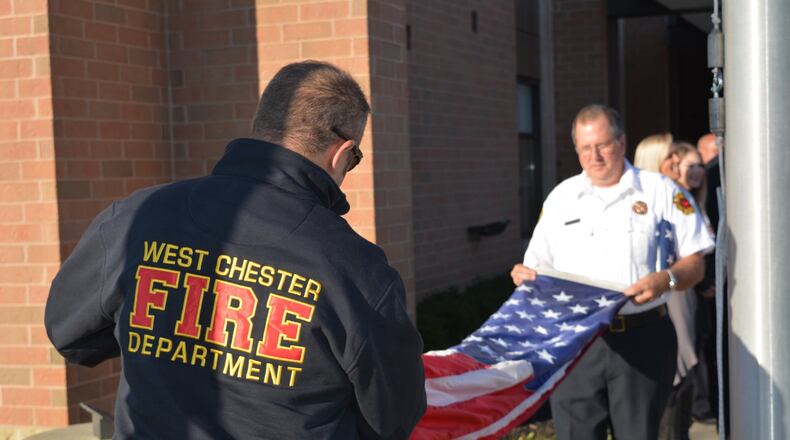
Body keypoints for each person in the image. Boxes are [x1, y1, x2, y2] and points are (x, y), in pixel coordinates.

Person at [45, 61, 427, 439]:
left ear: (265, 126)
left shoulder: (135, 218)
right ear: (342, 152)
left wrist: (165, 334)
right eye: (355, 160)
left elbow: (69, 332)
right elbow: (391, 417)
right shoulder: (357, 270)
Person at [511, 104, 714, 440]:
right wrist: (524, 276)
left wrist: (668, 279)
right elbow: (535, 267)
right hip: (575, 342)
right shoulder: (561, 199)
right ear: (576, 149)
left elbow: (695, 263)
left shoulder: (662, 191)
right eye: (585, 148)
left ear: (621, 142)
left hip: (643, 338)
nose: (595, 156)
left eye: (603, 145)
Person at [635, 138, 709, 440]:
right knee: (672, 376)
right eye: (671, 160)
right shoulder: (643, 202)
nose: (678, 167)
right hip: (664, 299)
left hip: (682, 292)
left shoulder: (679, 198)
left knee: (683, 378)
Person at [691, 133, 722, 425]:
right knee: (699, 344)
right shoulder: (711, 179)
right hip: (697, 283)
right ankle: (702, 405)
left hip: (712, 278)